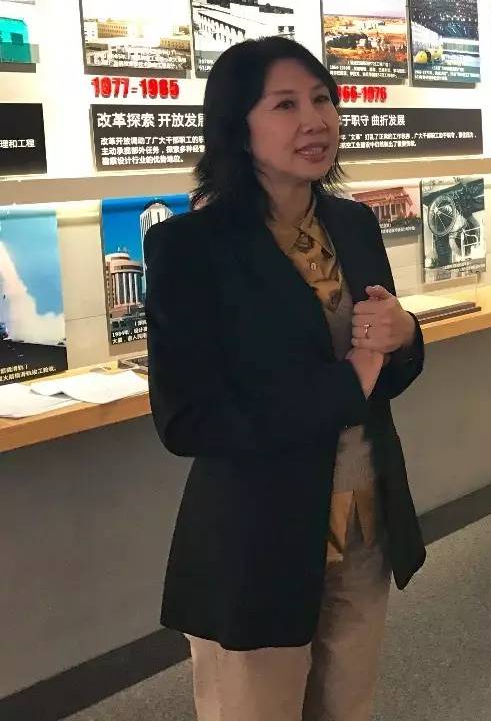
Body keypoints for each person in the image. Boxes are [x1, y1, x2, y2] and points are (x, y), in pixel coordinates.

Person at [145, 37, 427, 721]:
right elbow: (188, 420)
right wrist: (349, 379)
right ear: (236, 125)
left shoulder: (353, 224)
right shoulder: (190, 248)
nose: (315, 120)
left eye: (323, 99)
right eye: (285, 105)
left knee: (347, 705)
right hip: (258, 540)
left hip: (363, 525)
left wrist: (405, 337)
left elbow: (382, 371)